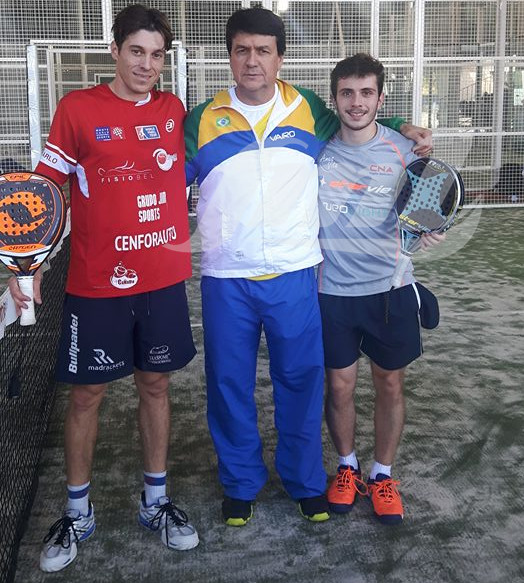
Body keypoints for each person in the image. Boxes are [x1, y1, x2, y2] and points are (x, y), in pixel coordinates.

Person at [184, 7, 433, 527]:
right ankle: (240, 484)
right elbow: (160, 178)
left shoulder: (310, 108)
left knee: (300, 382)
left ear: (280, 58)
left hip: (298, 274)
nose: (253, 61)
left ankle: (303, 482)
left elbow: (358, 117)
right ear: (229, 55)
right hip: (226, 278)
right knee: (229, 386)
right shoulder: (200, 119)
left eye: (264, 51)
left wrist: (401, 126)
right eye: (242, 50)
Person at [8, 4, 199, 572]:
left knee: (156, 386)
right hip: (95, 284)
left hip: (162, 281)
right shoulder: (77, 109)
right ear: (114, 50)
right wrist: (30, 263)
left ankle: (155, 501)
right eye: (136, 51)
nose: (146, 64)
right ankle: (77, 512)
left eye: (157, 55)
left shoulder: (174, 111)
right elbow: (45, 189)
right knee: (86, 396)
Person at [317, 53, 443, 526]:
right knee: (339, 384)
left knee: (390, 382)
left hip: (390, 289)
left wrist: (428, 232)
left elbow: (424, 218)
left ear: (380, 98)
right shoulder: (317, 148)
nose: (356, 102)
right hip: (331, 291)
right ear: (335, 98)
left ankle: (383, 474)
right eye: (347, 93)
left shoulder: (407, 153)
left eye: (366, 93)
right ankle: (347, 467)